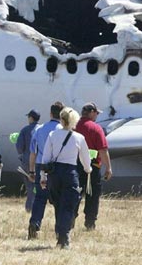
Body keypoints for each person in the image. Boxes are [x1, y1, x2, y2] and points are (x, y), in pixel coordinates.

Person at [41, 107, 91, 249]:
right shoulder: (79, 138)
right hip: (70, 173)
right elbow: (85, 160)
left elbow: (45, 158)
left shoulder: (52, 135)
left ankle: (60, 234)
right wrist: (88, 170)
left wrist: (42, 176)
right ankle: (65, 236)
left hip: (54, 174)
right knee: (68, 206)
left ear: (61, 120)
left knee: (57, 204)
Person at [28, 101, 64, 239]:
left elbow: (33, 152)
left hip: (41, 165)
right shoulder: (64, 130)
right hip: (58, 166)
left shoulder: (39, 129)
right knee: (58, 199)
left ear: (50, 113)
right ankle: (59, 230)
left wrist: (31, 171)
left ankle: (34, 224)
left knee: (40, 198)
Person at [74, 102, 112, 230]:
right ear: (91, 112)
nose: (97, 115)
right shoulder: (96, 128)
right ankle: (90, 222)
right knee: (92, 195)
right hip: (92, 167)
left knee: (74, 193)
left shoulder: (73, 126)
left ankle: (69, 219)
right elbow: (103, 149)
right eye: (96, 113)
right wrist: (108, 168)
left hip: (74, 166)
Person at [16, 109, 40, 212]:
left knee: (30, 186)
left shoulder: (25, 130)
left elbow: (19, 148)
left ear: (31, 118)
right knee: (39, 185)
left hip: (27, 161)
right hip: (41, 161)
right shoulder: (42, 129)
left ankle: (30, 207)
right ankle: (38, 206)